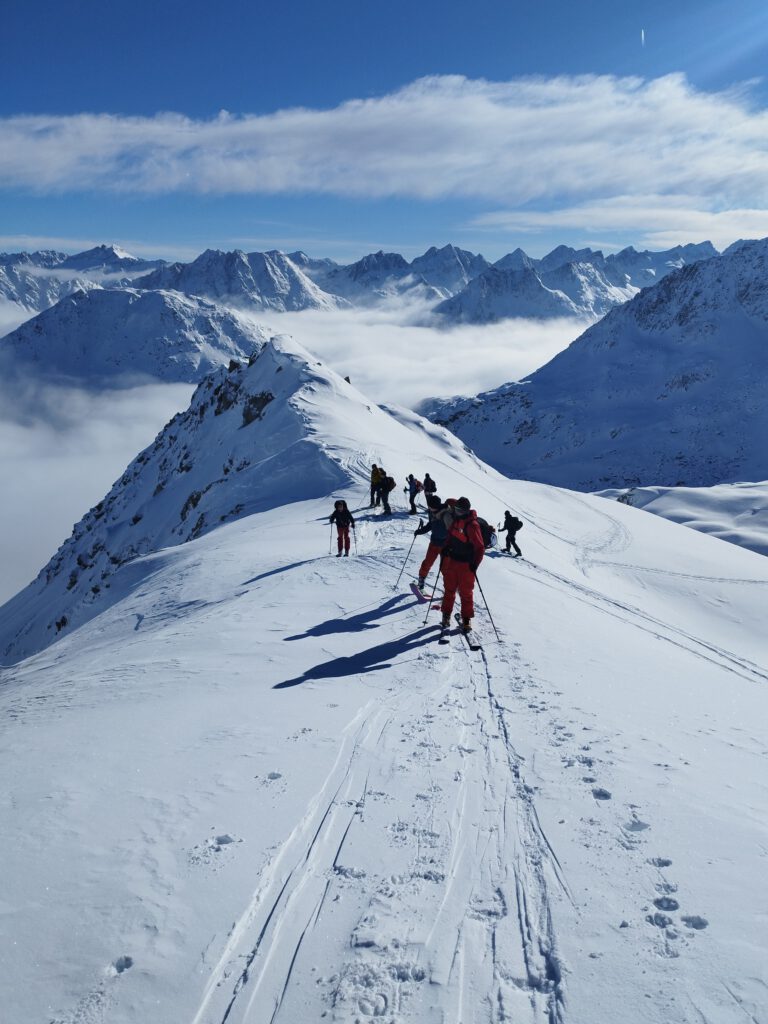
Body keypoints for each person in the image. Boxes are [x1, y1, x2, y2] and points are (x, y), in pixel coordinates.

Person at [439, 496, 485, 632]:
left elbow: (480, 547)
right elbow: (449, 536)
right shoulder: (456, 521)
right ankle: (446, 616)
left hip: (466, 565)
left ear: (466, 510)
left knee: (466, 593)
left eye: (460, 510)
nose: (457, 512)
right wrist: (446, 547)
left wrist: (475, 564)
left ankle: (466, 619)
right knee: (449, 589)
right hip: (453, 561)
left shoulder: (472, 525)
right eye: (456, 509)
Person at [414, 494, 447, 590]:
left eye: (431, 507)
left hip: (445, 546)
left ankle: (448, 588)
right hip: (434, 543)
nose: (429, 508)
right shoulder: (431, 512)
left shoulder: (446, 514)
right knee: (427, 562)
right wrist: (420, 531)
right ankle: (421, 580)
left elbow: (451, 529)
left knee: (445, 569)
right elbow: (430, 525)